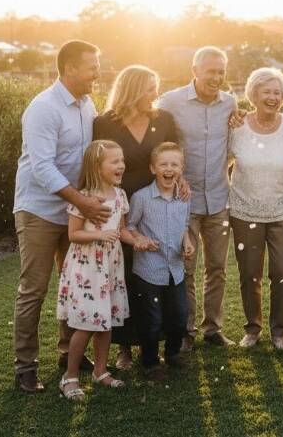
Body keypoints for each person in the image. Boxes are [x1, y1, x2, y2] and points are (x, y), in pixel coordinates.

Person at [12, 40, 109, 393]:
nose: (97, 73)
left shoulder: (87, 105)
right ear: (70, 69)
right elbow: (42, 167)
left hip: (73, 212)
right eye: (92, 67)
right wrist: (82, 203)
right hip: (39, 210)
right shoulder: (43, 108)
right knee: (34, 289)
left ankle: (69, 353)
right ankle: (25, 367)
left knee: (76, 284)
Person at [93, 65, 181, 370]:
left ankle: (155, 342)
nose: (155, 94)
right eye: (150, 88)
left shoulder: (163, 120)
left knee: (154, 271)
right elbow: (97, 164)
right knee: (124, 274)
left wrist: (181, 181)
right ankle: (124, 347)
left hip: (157, 205)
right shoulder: (104, 123)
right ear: (132, 90)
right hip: (119, 205)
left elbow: (174, 154)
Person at [156, 46, 237, 350]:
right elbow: (158, 145)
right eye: (210, 71)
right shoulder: (170, 102)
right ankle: (185, 331)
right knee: (185, 268)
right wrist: (173, 178)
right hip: (182, 201)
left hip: (218, 198)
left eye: (221, 72)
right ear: (195, 71)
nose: (216, 77)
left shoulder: (230, 103)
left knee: (217, 268)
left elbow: (232, 144)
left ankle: (213, 328)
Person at [56, 140, 134, 401]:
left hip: (110, 267)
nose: (121, 165)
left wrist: (138, 241)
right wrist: (100, 235)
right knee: (86, 324)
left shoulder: (120, 195)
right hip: (87, 270)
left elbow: (121, 230)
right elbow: (73, 234)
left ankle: (100, 371)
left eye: (122, 160)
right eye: (114, 161)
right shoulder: (85, 198)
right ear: (97, 167)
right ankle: (70, 377)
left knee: (105, 320)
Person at [229, 68, 283, 351]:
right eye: (266, 91)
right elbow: (223, 162)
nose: (273, 97)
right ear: (254, 94)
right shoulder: (237, 126)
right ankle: (253, 329)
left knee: (282, 272)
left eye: (277, 92)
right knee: (249, 274)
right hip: (244, 210)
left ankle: (279, 332)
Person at [126, 142, 196, 380]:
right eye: (163, 164)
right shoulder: (141, 198)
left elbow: (184, 226)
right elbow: (129, 226)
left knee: (179, 315)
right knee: (152, 320)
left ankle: (173, 353)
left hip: (175, 269)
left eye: (174, 164)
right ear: (152, 168)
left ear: (181, 168)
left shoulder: (184, 197)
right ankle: (150, 362)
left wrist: (187, 242)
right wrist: (140, 239)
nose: (169, 168)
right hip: (148, 270)